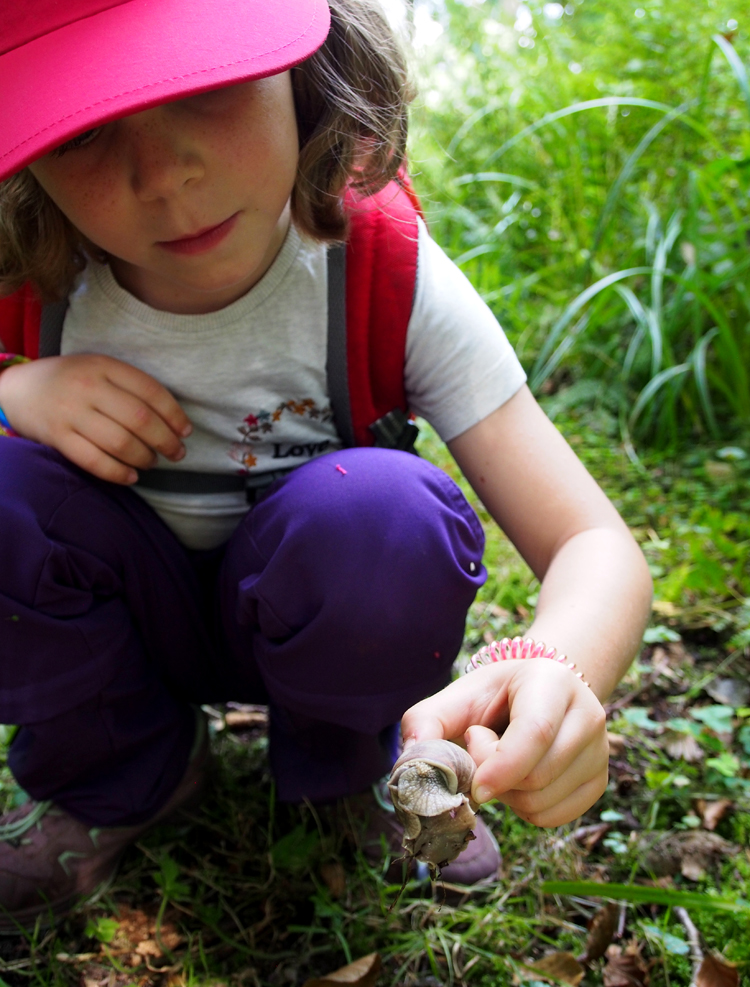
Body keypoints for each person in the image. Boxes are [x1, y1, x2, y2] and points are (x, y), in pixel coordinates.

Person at [0, 0, 652, 929]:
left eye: (209, 89)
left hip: (314, 614)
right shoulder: (30, 275)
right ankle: (115, 775)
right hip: (122, 614)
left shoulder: (379, 269)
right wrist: (13, 395)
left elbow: (593, 539)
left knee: (382, 515)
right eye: (85, 131)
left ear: (307, 72)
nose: (164, 176)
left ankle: (346, 772)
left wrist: (560, 665)